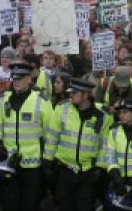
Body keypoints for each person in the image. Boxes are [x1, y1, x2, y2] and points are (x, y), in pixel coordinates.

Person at [0, 61, 52, 211]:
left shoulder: (41, 101)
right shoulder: (2, 100)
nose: (16, 82)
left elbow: (49, 133)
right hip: (9, 162)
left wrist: (48, 161)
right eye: (14, 78)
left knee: (31, 204)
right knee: (9, 204)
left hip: (33, 164)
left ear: (29, 79)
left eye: (20, 78)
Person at [43, 77, 110, 211]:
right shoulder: (62, 109)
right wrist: (47, 162)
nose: (70, 95)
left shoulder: (102, 116)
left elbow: (104, 145)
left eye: (74, 93)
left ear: (85, 95)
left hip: (88, 173)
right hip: (64, 170)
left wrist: (100, 168)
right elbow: (52, 137)